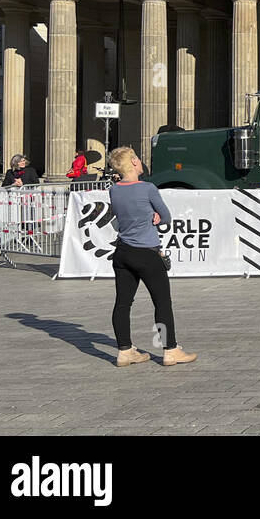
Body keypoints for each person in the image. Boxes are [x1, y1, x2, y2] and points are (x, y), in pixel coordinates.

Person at [106, 146, 195, 367]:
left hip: (123, 252)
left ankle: (124, 350)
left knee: (123, 303)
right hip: (147, 252)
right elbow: (166, 217)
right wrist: (155, 217)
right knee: (162, 303)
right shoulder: (148, 188)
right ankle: (170, 349)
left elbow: (122, 216)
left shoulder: (114, 190)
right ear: (135, 162)